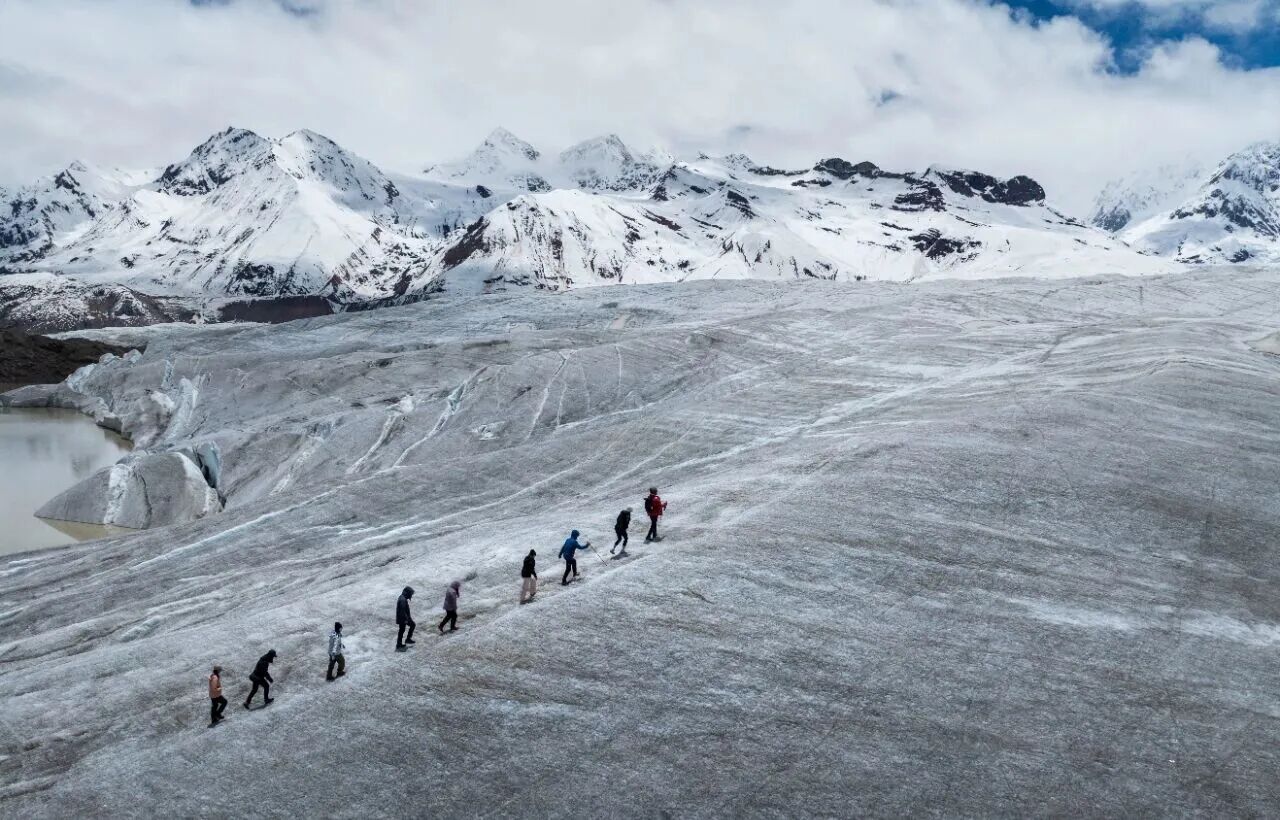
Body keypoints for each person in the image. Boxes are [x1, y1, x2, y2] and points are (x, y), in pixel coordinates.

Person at [396, 586, 416, 651]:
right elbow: (402, 611)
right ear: (407, 593)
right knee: (404, 629)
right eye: (410, 594)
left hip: (402, 618)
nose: (411, 596)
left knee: (402, 630)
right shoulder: (403, 599)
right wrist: (406, 619)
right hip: (403, 618)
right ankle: (402, 642)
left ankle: (400, 643)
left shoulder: (402, 598)